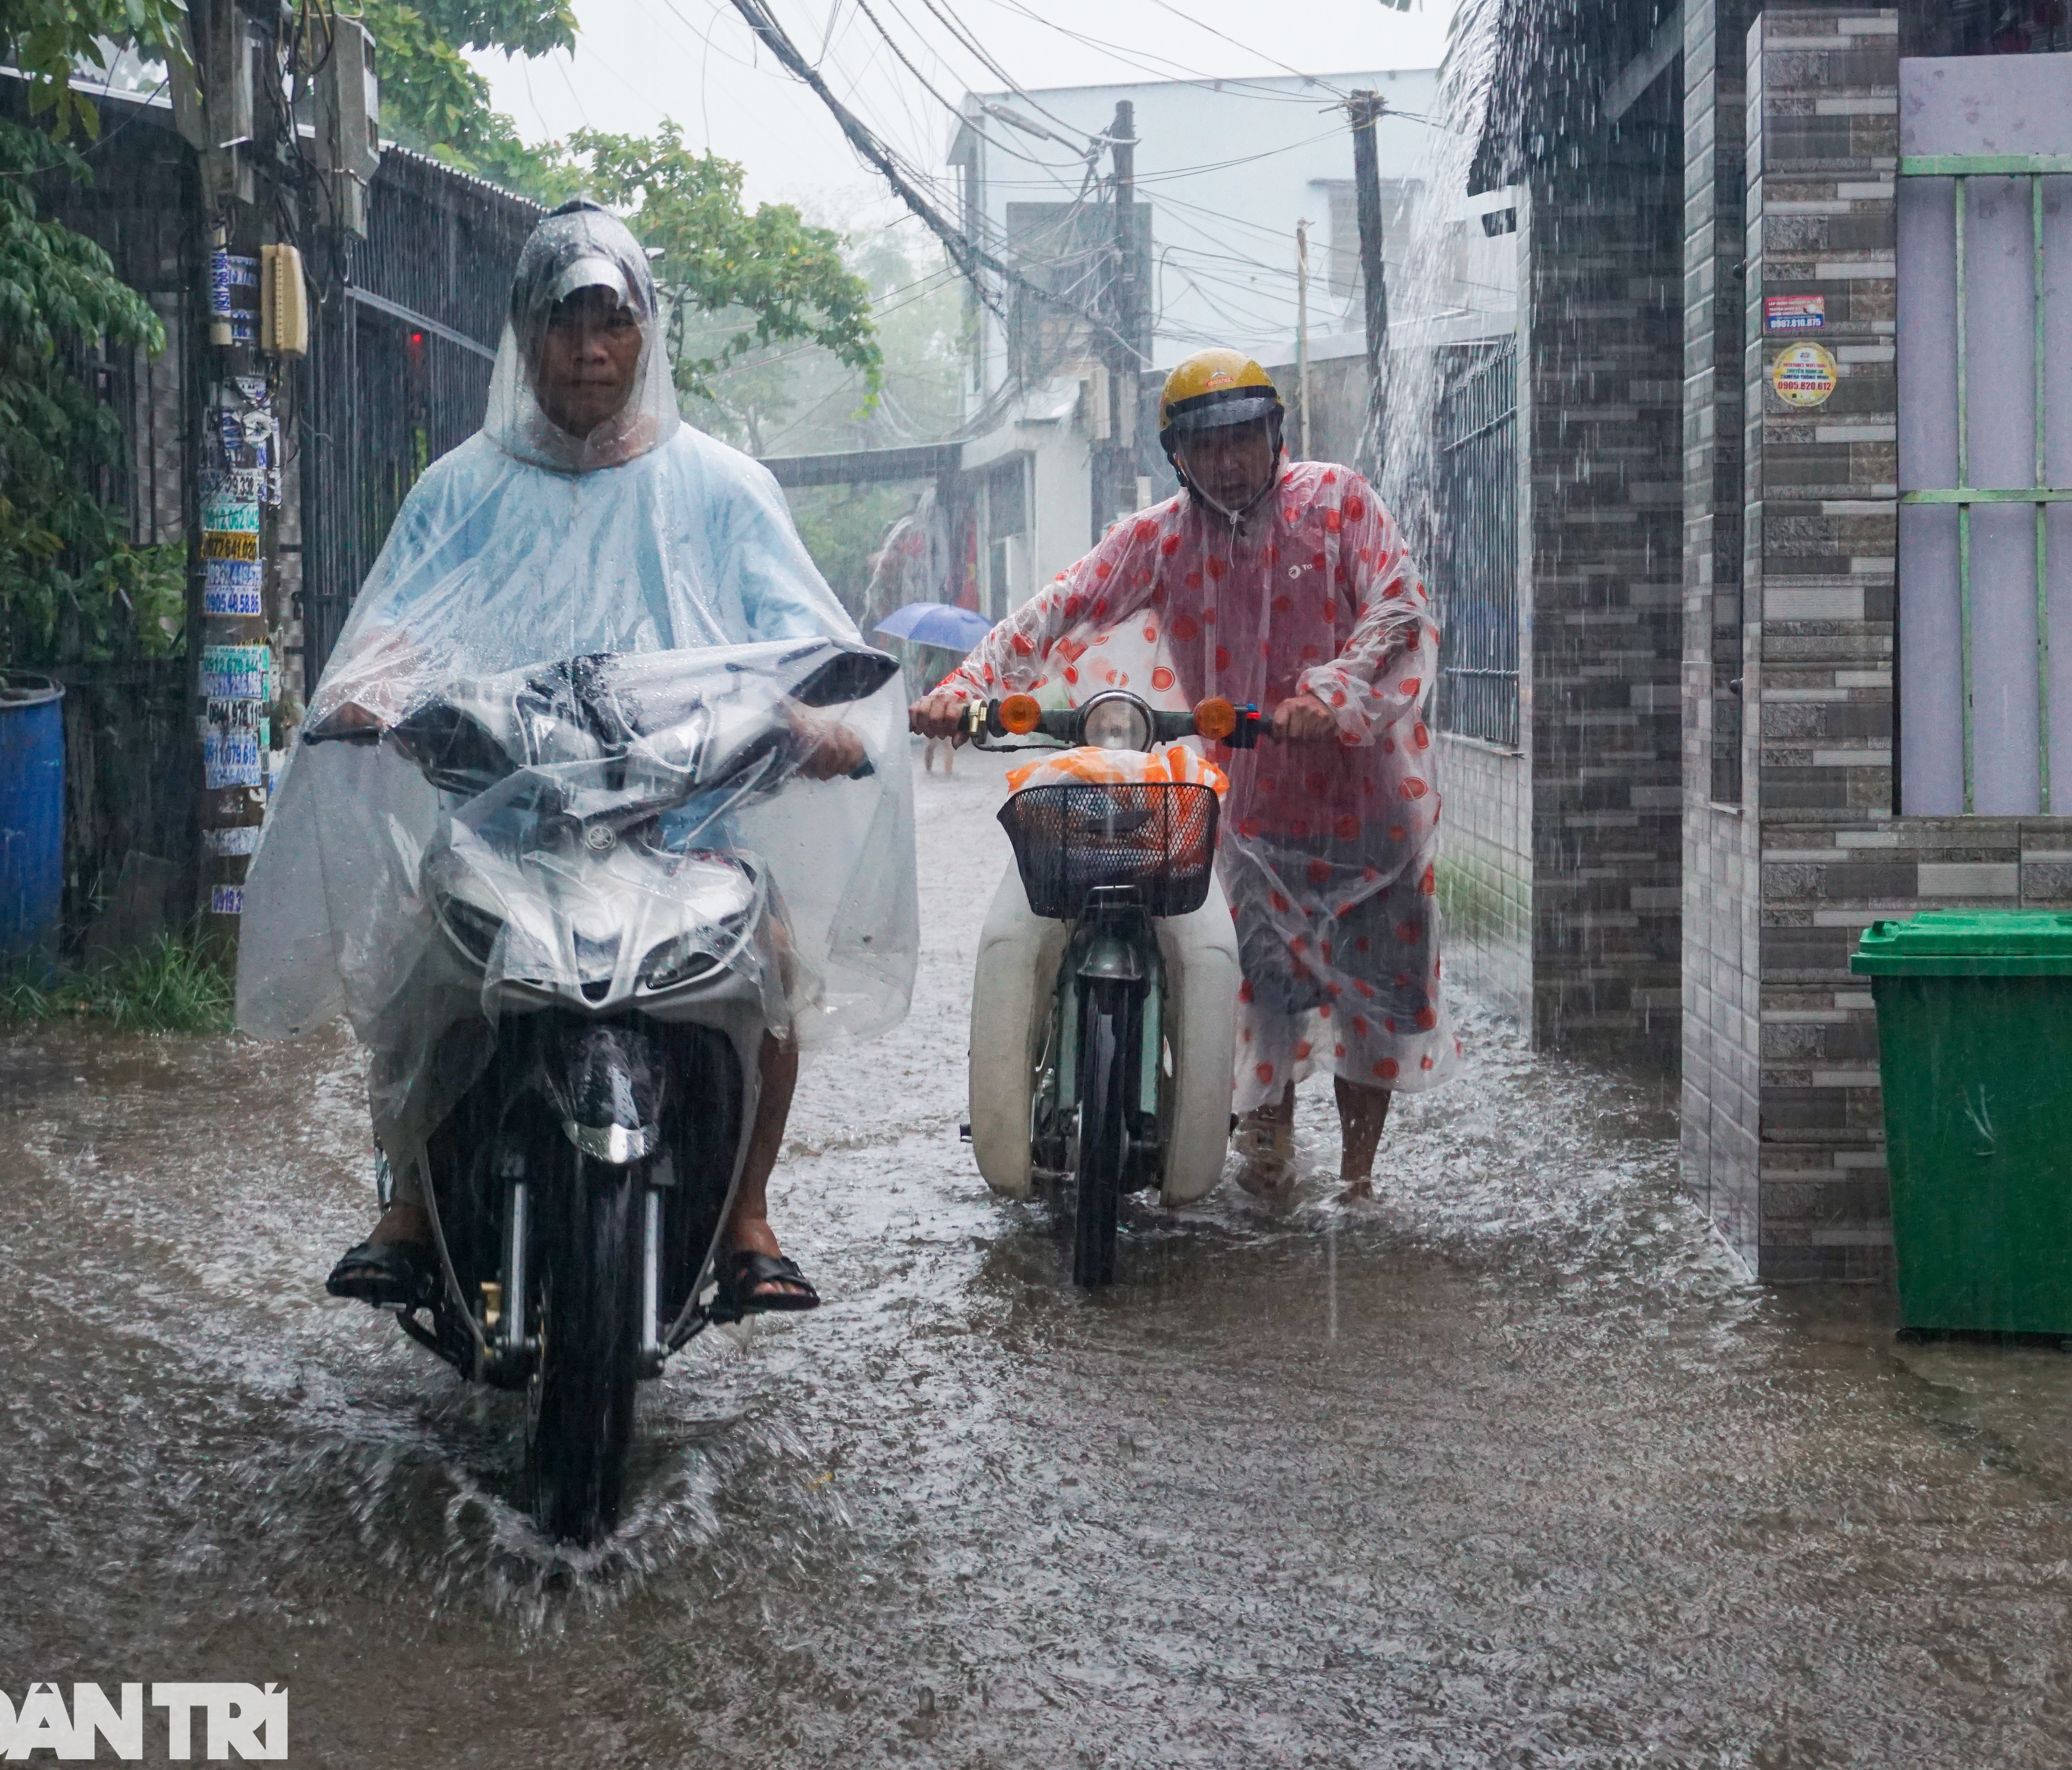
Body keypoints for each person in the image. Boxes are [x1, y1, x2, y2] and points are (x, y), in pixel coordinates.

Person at [238, 203, 917, 1316]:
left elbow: (803, 640)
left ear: (648, 337)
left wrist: (815, 724)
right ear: (523, 337)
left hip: (687, 829)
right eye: (565, 325)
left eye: (613, 322)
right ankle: (409, 1202)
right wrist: (366, 693)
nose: (590, 351)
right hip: (506, 830)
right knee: (417, 962)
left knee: (775, 969)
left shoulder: (725, 490)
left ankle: (748, 1213)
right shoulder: (458, 489)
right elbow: (395, 628)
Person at [913, 348, 1461, 1198]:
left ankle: (1358, 1188)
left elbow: (1399, 603)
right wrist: (964, 687)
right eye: (1208, 445)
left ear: (1275, 434)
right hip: (1253, 815)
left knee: (1370, 1008)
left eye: (1245, 437)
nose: (1229, 460)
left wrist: (1334, 692)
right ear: (1179, 457)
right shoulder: (1161, 540)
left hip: (1369, 807)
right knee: (1260, 997)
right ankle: (1266, 1176)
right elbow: (1059, 606)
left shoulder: (1340, 503)